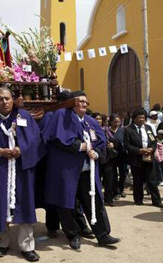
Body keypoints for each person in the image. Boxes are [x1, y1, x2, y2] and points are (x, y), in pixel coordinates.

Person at [42, 90, 120, 250]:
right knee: (67, 203)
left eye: (86, 101)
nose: (84, 104)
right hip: (67, 170)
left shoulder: (91, 121)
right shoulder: (61, 116)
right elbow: (55, 139)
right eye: (81, 101)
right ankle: (73, 235)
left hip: (88, 171)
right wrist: (79, 146)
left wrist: (96, 152)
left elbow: (101, 141)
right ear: (72, 103)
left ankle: (103, 234)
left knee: (95, 201)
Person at [0, 86, 45, 262]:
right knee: (0, 205)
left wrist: (22, 149)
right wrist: (0, 151)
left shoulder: (24, 118)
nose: (5, 102)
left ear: (13, 99)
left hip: (21, 170)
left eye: (7, 98)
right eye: (0, 99)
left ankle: (27, 246)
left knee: (25, 205)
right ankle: (3, 242)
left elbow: (36, 141)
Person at [124, 109, 163, 207]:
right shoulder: (129, 130)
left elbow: (154, 141)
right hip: (136, 159)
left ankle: (156, 201)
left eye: (143, 117)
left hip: (149, 158)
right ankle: (138, 199)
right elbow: (127, 145)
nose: (142, 119)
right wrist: (139, 150)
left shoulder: (148, 128)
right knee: (138, 180)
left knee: (152, 180)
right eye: (139, 118)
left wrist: (152, 149)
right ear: (134, 119)